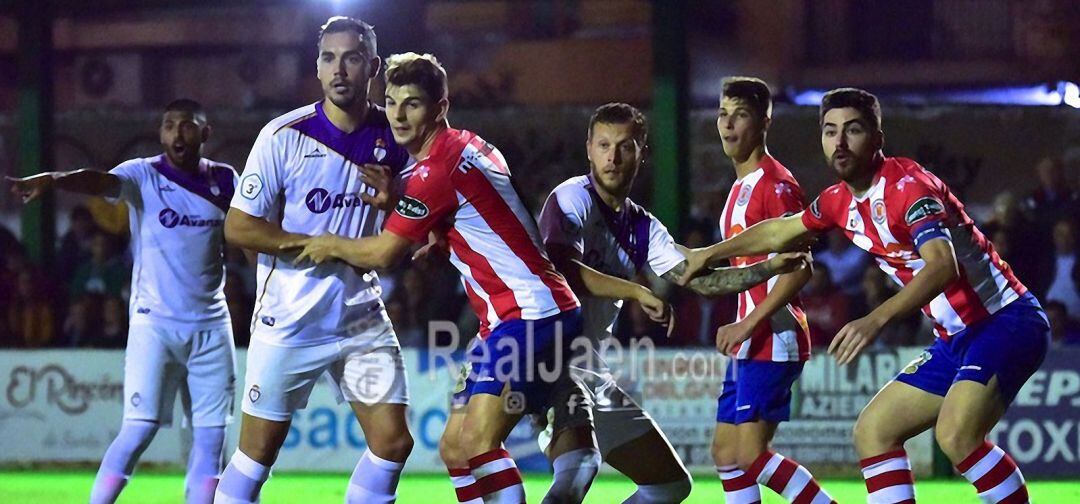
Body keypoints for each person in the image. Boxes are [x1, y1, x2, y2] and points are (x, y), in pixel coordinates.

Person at [683, 87, 1048, 504]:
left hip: (1005, 321)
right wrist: (707, 254)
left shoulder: (909, 187)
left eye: (852, 130)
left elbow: (942, 265)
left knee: (956, 435)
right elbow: (780, 230)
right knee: (873, 431)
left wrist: (874, 319)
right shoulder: (838, 201)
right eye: (829, 131)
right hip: (956, 339)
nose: (839, 143)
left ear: (877, 137)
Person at [280, 52, 590, 503]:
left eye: (413, 104)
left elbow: (384, 254)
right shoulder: (467, 146)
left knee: (478, 444)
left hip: (532, 315)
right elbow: (490, 213)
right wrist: (433, 230)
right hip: (511, 320)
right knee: (454, 448)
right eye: (390, 102)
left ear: (439, 108)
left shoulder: (433, 170)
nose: (398, 115)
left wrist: (330, 243)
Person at [534, 101, 810, 503]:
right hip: (547, 357)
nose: (612, 157)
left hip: (590, 368)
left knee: (669, 485)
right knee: (579, 466)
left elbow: (702, 281)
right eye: (604, 145)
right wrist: (635, 290)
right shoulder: (572, 197)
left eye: (625, 146)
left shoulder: (643, 227)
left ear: (642, 153)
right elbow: (562, 269)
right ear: (589, 149)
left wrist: (771, 267)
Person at [216, 16, 414, 504]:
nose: (339, 69)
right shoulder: (284, 135)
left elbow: (415, 227)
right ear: (318, 66)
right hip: (290, 319)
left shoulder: (396, 140)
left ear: (374, 66)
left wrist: (395, 203)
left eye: (351, 58)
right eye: (328, 58)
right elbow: (239, 226)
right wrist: (310, 244)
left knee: (393, 443)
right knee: (257, 455)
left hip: (359, 317)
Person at [8, 98, 238, 504]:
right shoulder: (142, 175)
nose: (177, 133)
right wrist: (56, 179)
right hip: (155, 325)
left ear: (205, 134)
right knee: (138, 430)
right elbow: (98, 181)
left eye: (187, 125)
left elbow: (246, 233)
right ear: (160, 133)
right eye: (169, 125)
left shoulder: (226, 179)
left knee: (211, 438)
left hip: (211, 325)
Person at [702, 77, 833, 504]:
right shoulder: (741, 185)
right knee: (726, 453)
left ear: (764, 122)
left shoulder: (775, 185)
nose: (728, 124)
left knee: (749, 454)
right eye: (723, 113)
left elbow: (800, 269)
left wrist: (747, 323)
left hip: (772, 336)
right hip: (751, 339)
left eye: (740, 114)